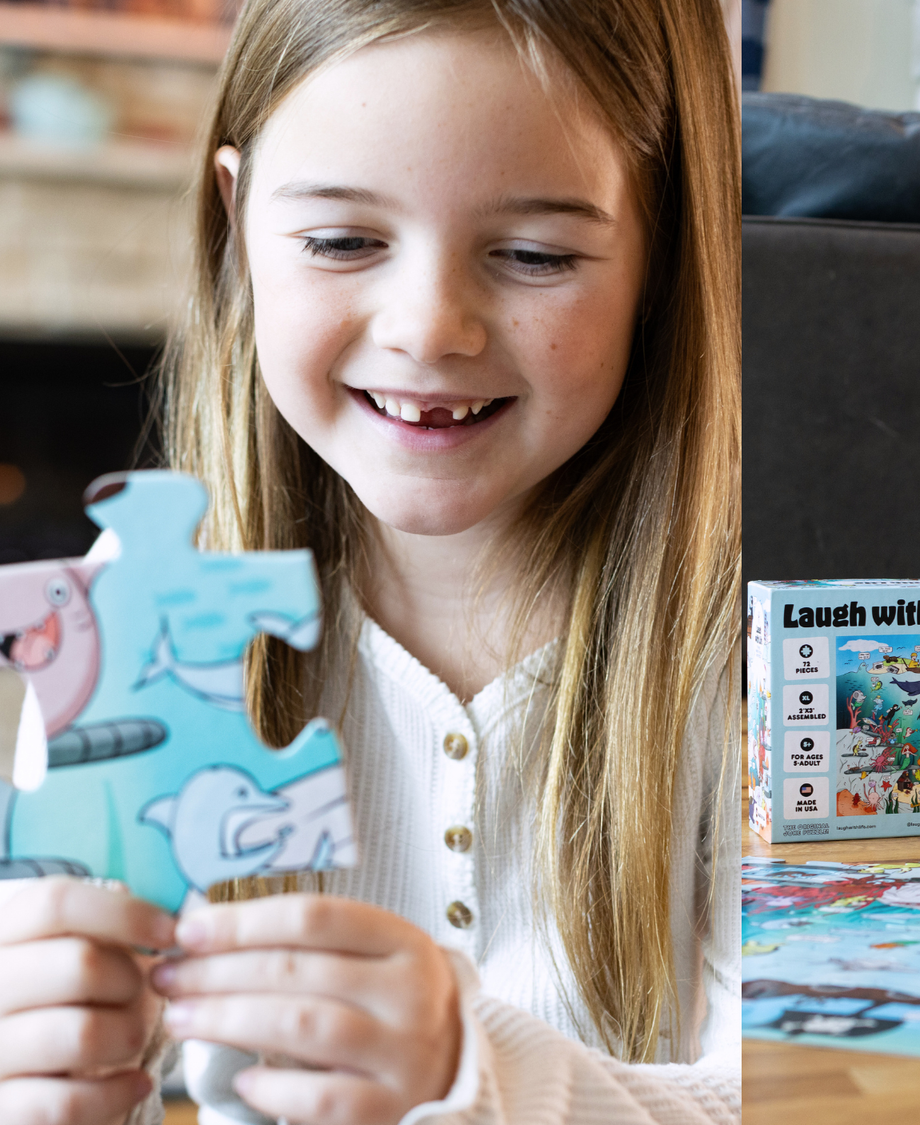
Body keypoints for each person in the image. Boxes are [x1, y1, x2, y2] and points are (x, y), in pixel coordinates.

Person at [0, 1, 741, 1123]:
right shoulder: (132, 604)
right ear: (239, 217)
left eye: (535, 255)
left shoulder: (762, 647)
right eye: (343, 241)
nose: (428, 328)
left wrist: (478, 1083)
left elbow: (821, 1090)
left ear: (662, 255)